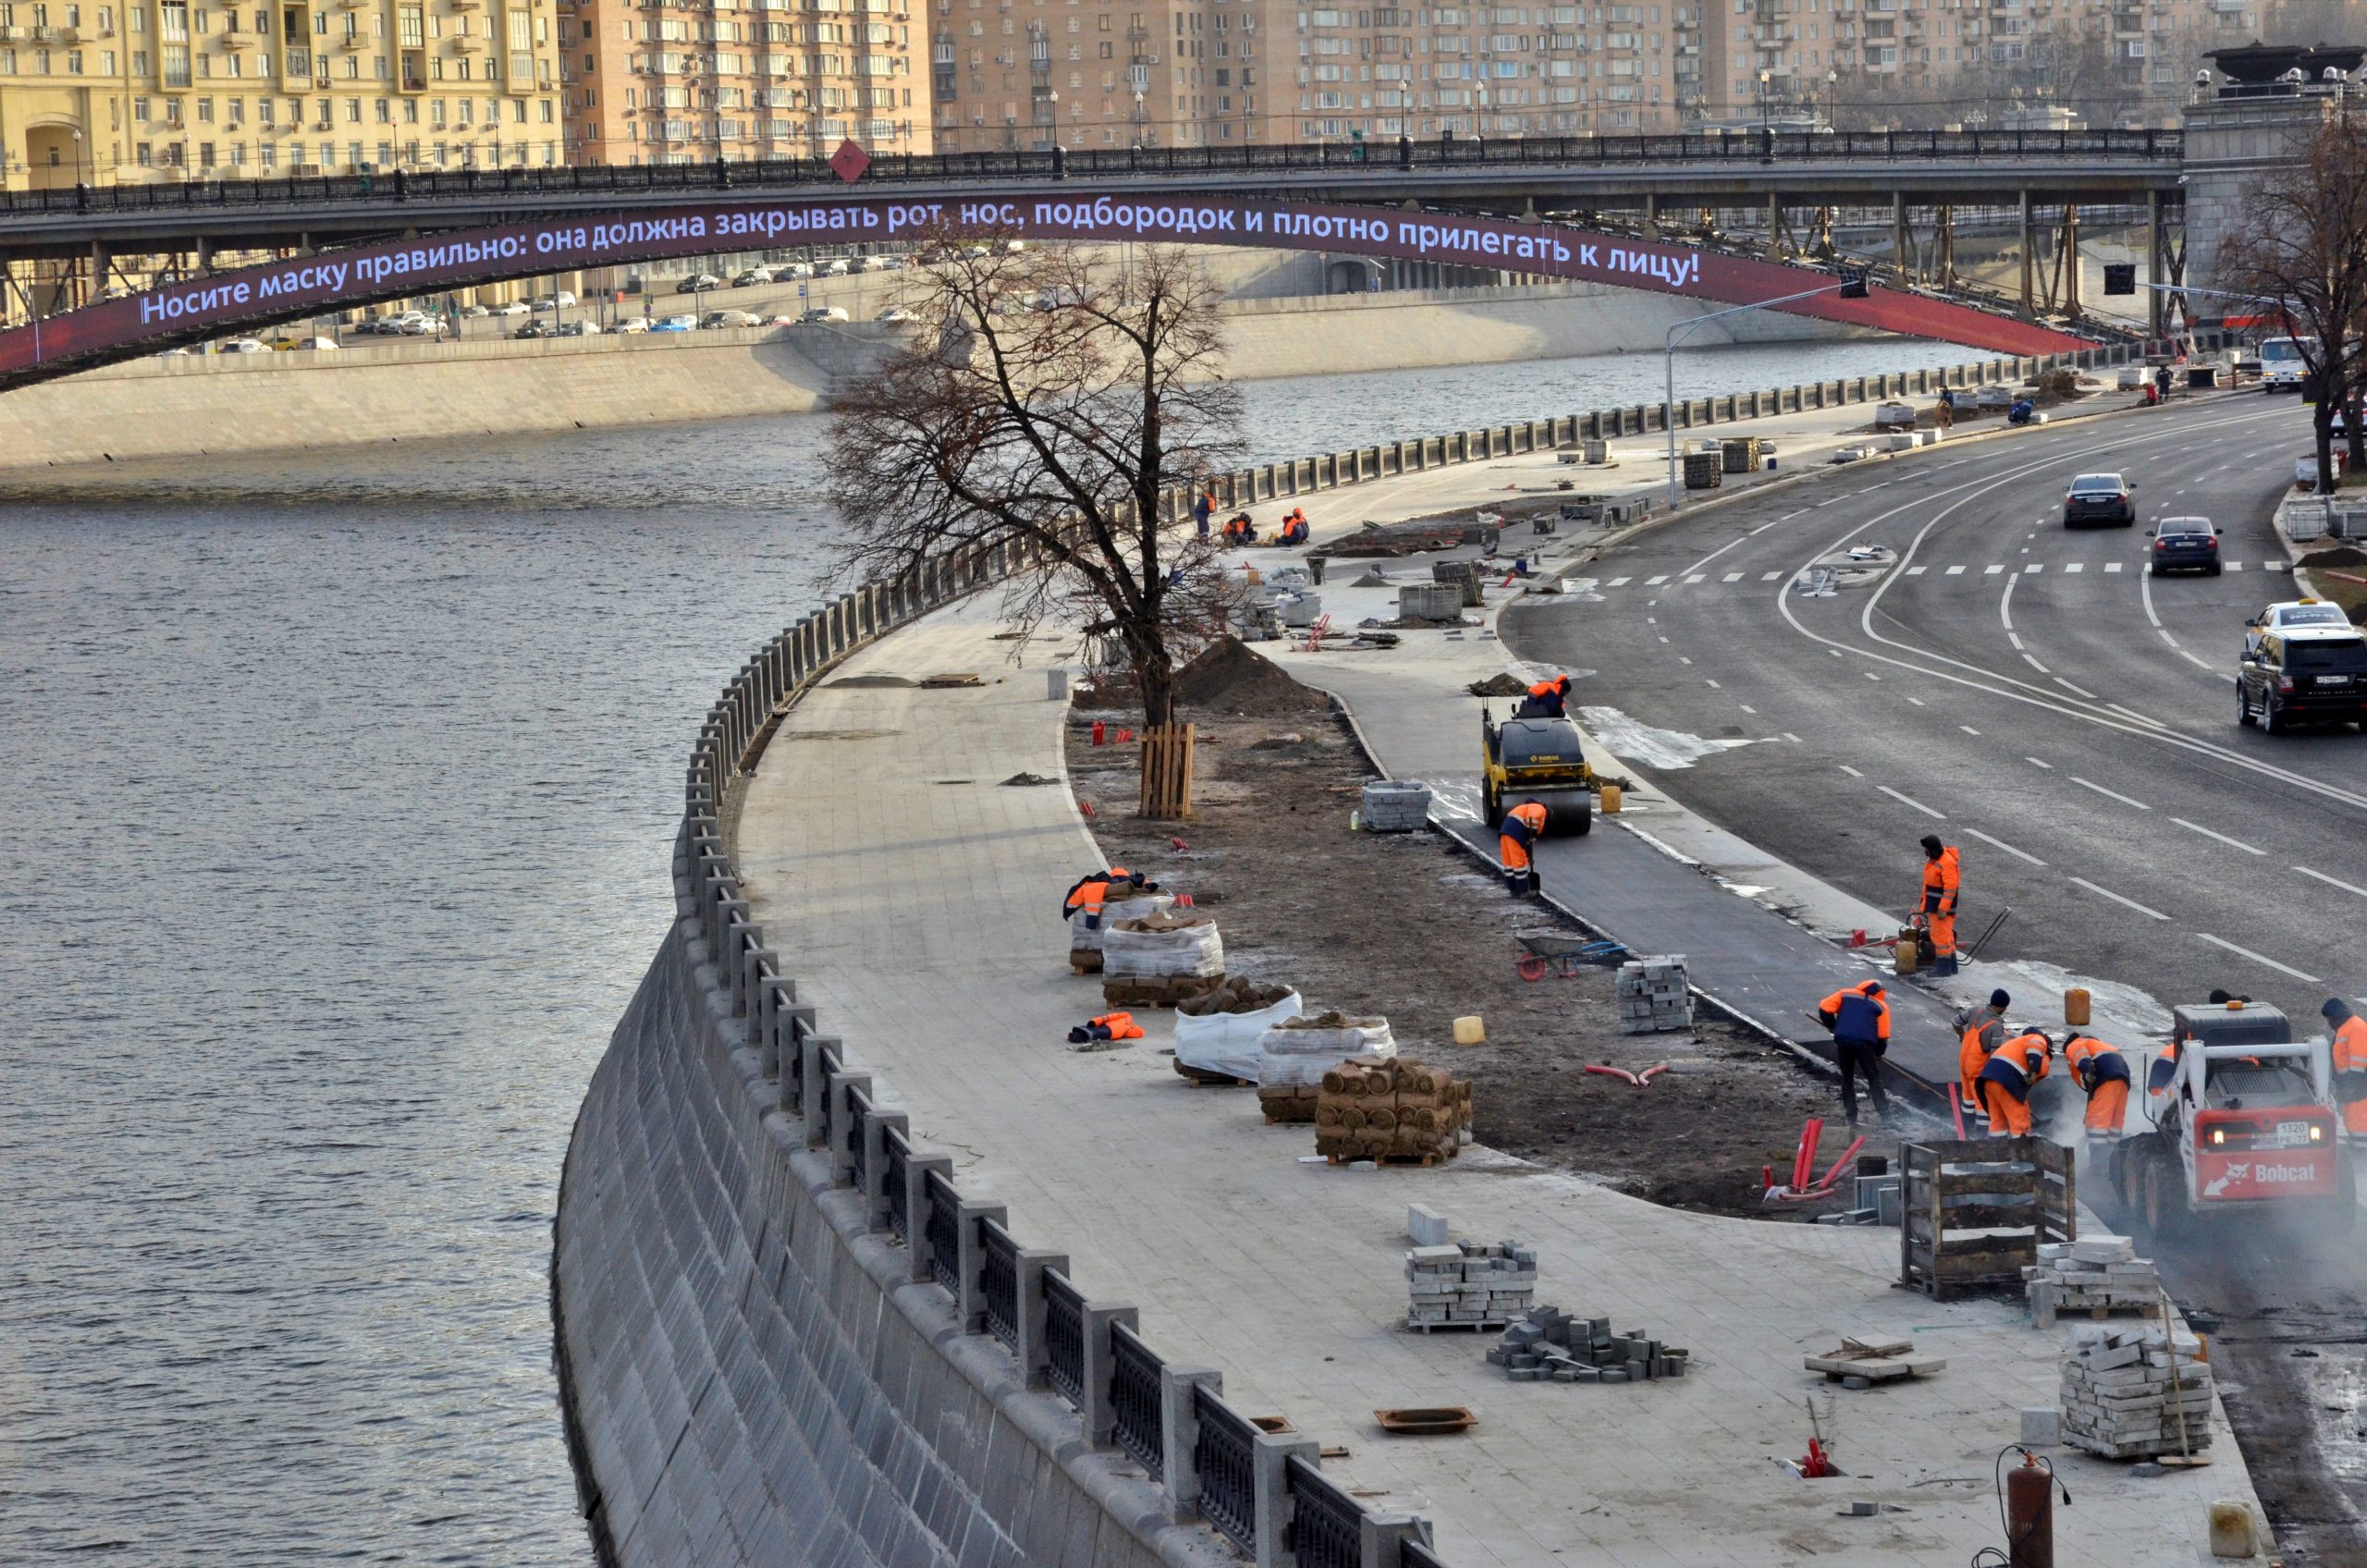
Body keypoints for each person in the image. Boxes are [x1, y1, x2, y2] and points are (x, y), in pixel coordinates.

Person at [1817, 978, 1892, 1128]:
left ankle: (1851, 1117)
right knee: (1874, 1079)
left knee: (1847, 1077)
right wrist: (1878, 1054)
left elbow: (1824, 1008)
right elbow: (1882, 1035)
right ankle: (1886, 1117)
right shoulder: (1880, 1005)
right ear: (1880, 994)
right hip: (1865, 1046)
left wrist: (1833, 1026)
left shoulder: (1844, 994)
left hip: (1844, 1042)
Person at [1976, 1029, 2053, 1137]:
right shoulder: (2038, 1039)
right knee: (2020, 1124)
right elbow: (2036, 1051)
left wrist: (2024, 1103)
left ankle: (1996, 1149)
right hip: (2007, 1081)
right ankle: (2023, 1150)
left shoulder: (2016, 1046)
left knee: (1998, 1122)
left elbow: (2023, 1087)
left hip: (1988, 1080)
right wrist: (2034, 1070)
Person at [2062, 1033, 2132, 1138]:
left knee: (2098, 1123)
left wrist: (2087, 1071)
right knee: (2115, 1122)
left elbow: (2081, 1057)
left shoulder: (2075, 1044)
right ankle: (2114, 1150)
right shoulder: (2099, 1045)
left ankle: (2097, 1152)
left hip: (2105, 1081)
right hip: (2123, 1081)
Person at [1956, 988, 2010, 1119]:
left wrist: (1961, 1035)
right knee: (1982, 1101)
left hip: (1964, 1061)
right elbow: (1994, 1055)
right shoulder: (1996, 1025)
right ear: (2000, 1007)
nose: (2005, 1010)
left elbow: (1955, 1022)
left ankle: (1967, 1126)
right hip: (1977, 1067)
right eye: (2004, 1007)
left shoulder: (1976, 1010)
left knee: (1968, 1097)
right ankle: (1981, 1131)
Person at [1917, 835, 1961, 976]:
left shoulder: (1945, 862)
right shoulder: (1938, 860)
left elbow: (1950, 888)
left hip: (1941, 909)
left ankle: (1943, 969)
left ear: (1933, 850)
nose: (1926, 852)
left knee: (1939, 938)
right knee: (1946, 937)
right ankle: (1952, 967)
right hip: (1937, 906)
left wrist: (1943, 909)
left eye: (1927, 849)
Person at [2324, 998, 2367, 1138]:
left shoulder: (2355, 1027)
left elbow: (2359, 1060)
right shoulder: (2346, 1027)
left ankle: (2360, 1153)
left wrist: (2352, 1084)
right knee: (2353, 1120)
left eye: (2329, 1018)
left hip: (2359, 1086)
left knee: (2360, 1124)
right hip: (2352, 1085)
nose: (2328, 1023)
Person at [1497, 799, 1547, 895]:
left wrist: (1528, 855)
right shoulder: (1539, 807)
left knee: (1509, 863)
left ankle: (1513, 889)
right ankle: (1523, 891)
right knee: (1519, 863)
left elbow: (1526, 843)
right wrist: (1531, 833)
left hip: (1505, 833)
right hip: (1516, 833)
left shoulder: (1522, 809)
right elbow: (1532, 818)